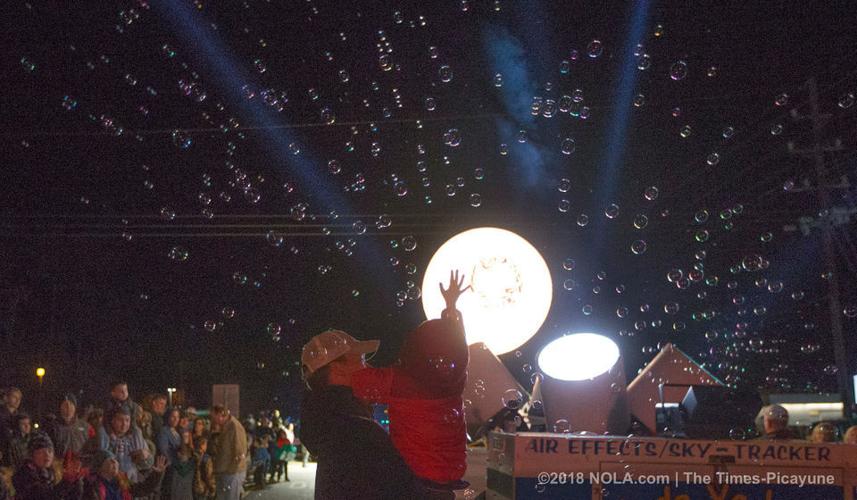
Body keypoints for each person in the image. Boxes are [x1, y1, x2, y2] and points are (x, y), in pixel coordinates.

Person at [350, 270, 471, 491]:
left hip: (413, 480)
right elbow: (455, 348)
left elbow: (356, 381)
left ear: (413, 348)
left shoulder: (399, 381)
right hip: (449, 480)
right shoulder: (455, 380)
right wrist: (451, 308)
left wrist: (351, 354)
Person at [300, 331, 453, 499]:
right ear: (338, 369)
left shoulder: (331, 426)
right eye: (362, 360)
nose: (370, 368)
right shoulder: (358, 433)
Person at [11, 433, 85, 500]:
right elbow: (43, 496)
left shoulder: (51, 472)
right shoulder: (23, 474)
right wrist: (67, 481)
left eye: (50, 451)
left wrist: (76, 481)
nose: (47, 455)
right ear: (31, 455)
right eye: (41, 452)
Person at [90, 407, 152, 483]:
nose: (124, 424)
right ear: (112, 420)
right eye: (120, 420)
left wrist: (145, 456)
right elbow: (96, 459)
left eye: (127, 420)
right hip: (108, 483)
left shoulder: (135, 436)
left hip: (130, 481)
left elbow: (149, 462)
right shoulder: (103, 436)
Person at [81, 449, 166, 500]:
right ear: (100, 467)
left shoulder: (122, 481)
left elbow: (142, 489)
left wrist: (156, 474)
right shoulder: (92, 485)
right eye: (109, 460)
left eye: (115, 459)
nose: (114, 462)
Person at [210, 405, 247, 500]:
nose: (213, 420)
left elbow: (239, 452)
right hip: (225, 472)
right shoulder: (225, 426)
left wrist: (232, 469)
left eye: (214, 417)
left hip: (231, 473)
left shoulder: (234, 427)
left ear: (221, 414)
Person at [48, 394, 89, 459]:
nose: (68, 407)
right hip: (61, 465)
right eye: (65, 404)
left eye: (71, 404)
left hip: (81, 464)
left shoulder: (85, 426)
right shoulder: (53, 427)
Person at [0, 388, 23, 467]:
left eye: (19, 398)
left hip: (15, 457)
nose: (17, 400)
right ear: (6, 398)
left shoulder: (20, 417)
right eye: (14, 397)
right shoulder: (2, 415)